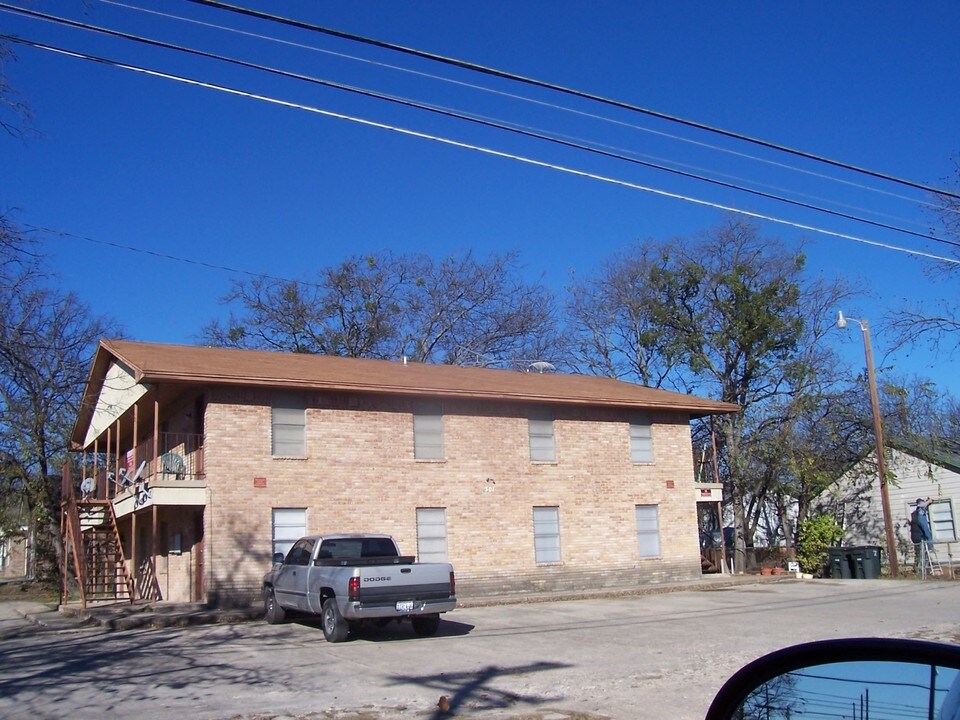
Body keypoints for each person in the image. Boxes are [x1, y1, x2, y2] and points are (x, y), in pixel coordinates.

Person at [910, 498, 935, 569]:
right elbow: (923, 504)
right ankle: (930, 546)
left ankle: (928, 544)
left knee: (925, 532)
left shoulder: (918, 510)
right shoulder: (920, 505)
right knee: (927, 532)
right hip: (921, 518)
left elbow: (924, 505)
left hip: (920, 520)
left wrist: (927, 502)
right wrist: (929, 501)